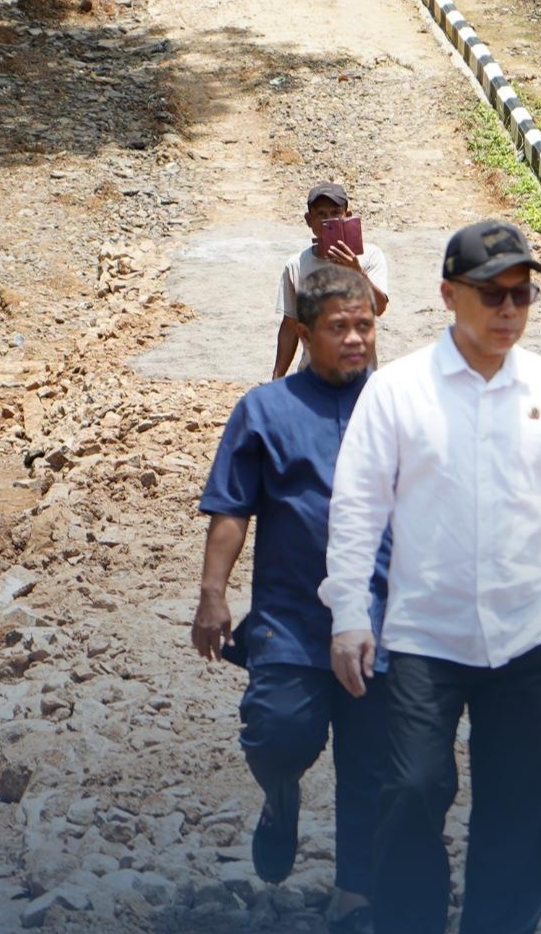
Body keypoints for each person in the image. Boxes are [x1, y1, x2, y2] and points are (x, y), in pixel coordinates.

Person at [322, 218, 541, 934]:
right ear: (449, 294)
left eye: (522, 294)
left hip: (529, 636)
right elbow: (358, 508)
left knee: (518, 807)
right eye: (492, 294)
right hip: (425, 634)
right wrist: (350, 615)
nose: (509, 310)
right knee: (413, 790)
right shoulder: (397, 391)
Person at [192, 265, 391, 934]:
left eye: (365, 325)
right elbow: (231, 511)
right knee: (278, 732)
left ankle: (355, 893)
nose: (356, 339)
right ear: (304, 334)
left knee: (372, 760)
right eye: (339, 327)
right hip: (291, 618)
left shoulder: (397, 404)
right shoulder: (265, 409)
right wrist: (213, 594)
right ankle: (281, 795)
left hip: (381, 614)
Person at [274, 182, 390, 380]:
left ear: (347, 215)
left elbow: (379, 308)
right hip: (313, 376)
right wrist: (277, 379)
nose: (329, 221)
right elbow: (290, 325)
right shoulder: (296, 265)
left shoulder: (370, 256)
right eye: (321, 214)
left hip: (359, 377)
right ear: (309, 220)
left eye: (335, 212)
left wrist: (357, 272)